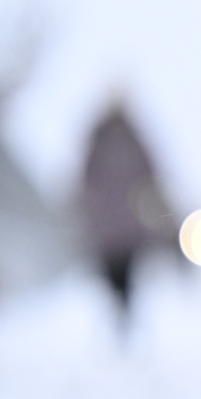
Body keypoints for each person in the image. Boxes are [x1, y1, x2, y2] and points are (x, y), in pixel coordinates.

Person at [78, 99, 175, 332]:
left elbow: (85, 183)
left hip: (113, 227)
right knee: (119, 276)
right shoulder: (108, 140)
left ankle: (122, 314)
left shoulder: (104, 139)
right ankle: (122, 312)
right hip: (123, 226)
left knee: (120, 275)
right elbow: (152, 176)